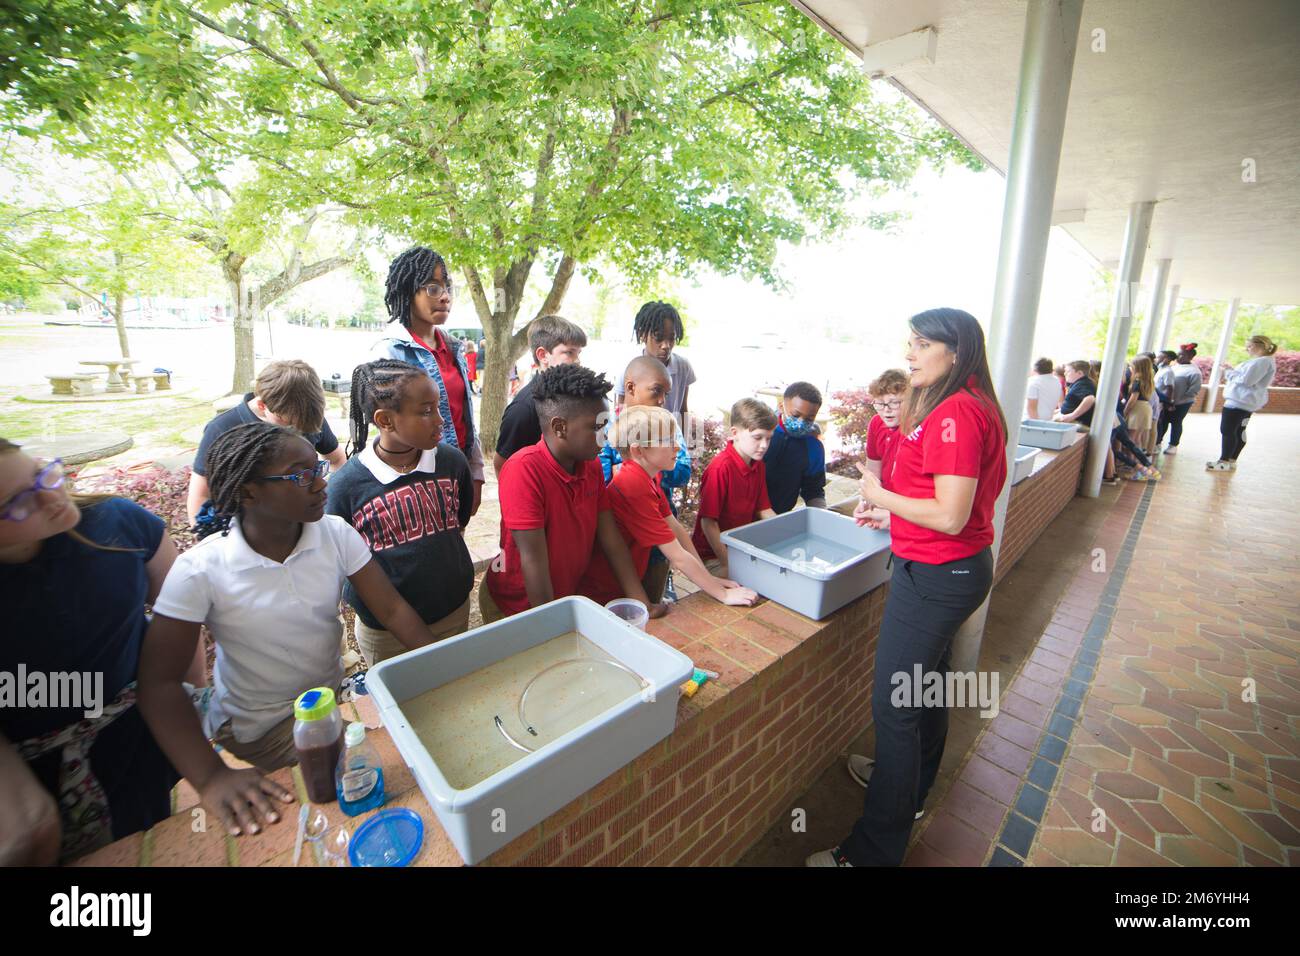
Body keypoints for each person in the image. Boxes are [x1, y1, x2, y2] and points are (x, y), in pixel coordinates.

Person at [138, 422, 434, 838]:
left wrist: (443, 665)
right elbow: (159, 684)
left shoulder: (332, 534)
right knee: (364, 780)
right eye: (300, 475)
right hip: (259, 723)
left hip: (325, 699)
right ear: (248, 492)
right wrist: (210, 778)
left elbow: (392, 608)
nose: (319, 483)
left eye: (317, 468)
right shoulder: (201, 570)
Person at [808, 308, 1008, 868]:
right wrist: (895, 520)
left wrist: (879, 493)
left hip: (938, 577)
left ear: (955, 349)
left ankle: (871, 853)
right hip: (951, 568)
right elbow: (950, 507)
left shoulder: (956, 413)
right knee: (927, 688)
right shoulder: (964, 404)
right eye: (910, 343)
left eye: (921, 344)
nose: (909, 353)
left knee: (894, 707)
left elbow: (950, 514)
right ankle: (911, 791)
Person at [0, 440, 199, 864]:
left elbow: (181, 619)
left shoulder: (119, 525)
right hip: (32, 765)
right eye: (18, 503)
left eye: (42, 474)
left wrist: (195, 702)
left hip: (134, 740)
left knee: (148, 838)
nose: (51, 498)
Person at [480, 365, 665, 624]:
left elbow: (611, 539)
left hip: (563, 598)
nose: (605, 436)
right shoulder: (524, 471)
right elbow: (533, 561)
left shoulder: (589, 467)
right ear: (560, 427)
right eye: (596, 427)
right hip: (519, 609)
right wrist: (554, 627)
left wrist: (641, 601)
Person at [326, 360, 474, 665]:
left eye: (437, 407)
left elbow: (459, 519)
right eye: (425, 411)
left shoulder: (452, 462)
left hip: (453, 612)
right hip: (387, 637)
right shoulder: (346, 486)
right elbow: (340, 562)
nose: (440, 420)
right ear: (386, 420)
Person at [578, 405, 757, 608]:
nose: (678, 447)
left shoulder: (650, 476)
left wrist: (709, 578)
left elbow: (676, 529)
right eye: (667, 441)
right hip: (604, 589)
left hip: (625, 580)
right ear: (639, 450)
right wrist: (723, 595)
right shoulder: (633, 484)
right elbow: (677, 556)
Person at [372, 247, 485, 516]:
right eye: (433, 288)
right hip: (415, 479)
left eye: (447, 287)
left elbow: (464, 416)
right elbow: (387, 429)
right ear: (409, 291)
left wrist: (476, 471)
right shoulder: (389, 351)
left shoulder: (453, 347)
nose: (445, 297)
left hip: (458, 471)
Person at [186, 360, 346, 525]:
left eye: (303, 429)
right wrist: (209, 540)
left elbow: (337, 459)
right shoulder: (222, 429)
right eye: (289, 423)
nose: (297, 432)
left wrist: (328, 504)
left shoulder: (307, 417)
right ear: (262, 405)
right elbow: (200, 495)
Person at [599, 356, 694, 603]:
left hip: (660, 532)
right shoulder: (608, 426)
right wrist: (647, 466)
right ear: (630, 388)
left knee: (654, 591)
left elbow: (683, 471)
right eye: (657, 391)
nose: (662, 399)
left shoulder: (668, 424)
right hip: (621, 539)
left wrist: (647, 466)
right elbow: (602, 480)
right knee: (620, 598)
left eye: (667, 392)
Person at [690, 398, 778, 577]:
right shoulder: (720, 468)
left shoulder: (757, 464)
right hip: (713, 555)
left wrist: (787, 532)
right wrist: (729, 563)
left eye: (769, 439)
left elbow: (764, 510)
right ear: (735, 432)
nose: (764, 445)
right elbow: (708, 523)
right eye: (757, 437)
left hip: (740, 549)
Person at [493, 315, 587, 473]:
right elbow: (502, 463)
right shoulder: (524, 408)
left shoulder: (571, 396)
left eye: (579, 353)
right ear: (543, 355)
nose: (577, 360)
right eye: (569, 352)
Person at [1208, 335, 1278, 471]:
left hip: (1239, 402)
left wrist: (1228, 372)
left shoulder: (1262, 362)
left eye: (1250, 346)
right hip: (1245, 402)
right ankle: (1231, 459)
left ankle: (1224, 461)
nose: (1247, 349)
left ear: (1261, 346)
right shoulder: (1264, 361)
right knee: (1239, 430)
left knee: (1228, 430)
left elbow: (1246, 381)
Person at [614, 301, 696, 418]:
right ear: (642, 334)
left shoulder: (683, 366)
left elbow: (683, 409)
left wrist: (682, 435)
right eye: (658, 337)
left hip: (672, 433)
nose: (666, 345)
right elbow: (620, 412)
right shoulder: (628, 369)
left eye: (671, 338)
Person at [764, 381, 828, 514]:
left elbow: (813, 489)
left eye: (809, 419)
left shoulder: (814, 447)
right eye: (795, 415)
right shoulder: (761, 435)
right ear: (781, 406)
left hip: (781, 515)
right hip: (744, 515)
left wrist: (822, 514)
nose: (801, 422)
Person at [863, 368, 909, 488]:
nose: (886, 410)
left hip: (903, 500)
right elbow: (873, 470)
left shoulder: (913, 429)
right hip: (880, 494)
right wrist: (866, 500)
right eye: (880, 403)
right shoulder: (876, 422)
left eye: (894, 403)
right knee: (834, 507)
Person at [1155, 343, 1202, 454]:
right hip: (1167, 400)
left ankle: (1173, 444)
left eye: (1182, 355)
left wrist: (1178, 400)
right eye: (1178, 354)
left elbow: (1194, 389)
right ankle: (1158, 441)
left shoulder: (1194, 371)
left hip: (1182, 402)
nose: (1178, 357)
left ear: (1190, 356)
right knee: (1164, 421)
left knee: (1176, 422)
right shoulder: (1173, 368)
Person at [1123, 355, 1157, 457]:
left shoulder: (1137, 381)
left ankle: (1130, 460)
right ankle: (1136, 459)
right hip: (1146, 408)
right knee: (1137, 438)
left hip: (1138, 408)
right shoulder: (1148, 380)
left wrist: (1125, 411)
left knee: (1131, 438)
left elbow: (1133, 399)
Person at [1053, 360, 1096, 426]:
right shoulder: (1079, 383)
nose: (1065, 374)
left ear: (1079, 373)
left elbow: (1090, 398)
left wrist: (1072, 416)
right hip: (1070, 419)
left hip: (1077, 422)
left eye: (1068, 371)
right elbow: (1072, 406)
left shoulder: (1083, 384)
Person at [1026, 357, 1064, 421]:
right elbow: (1061, 402)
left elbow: (1031, 408)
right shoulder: (1057, 381)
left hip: (1031, 421)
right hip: (1048, 419)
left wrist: (1037, 425)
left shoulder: (1033, 382)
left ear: (1035, 369)